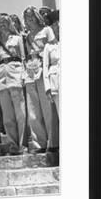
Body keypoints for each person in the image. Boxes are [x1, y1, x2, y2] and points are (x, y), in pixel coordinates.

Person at [23, 6, 57, 153]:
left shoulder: (47, 30)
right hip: (30, 70)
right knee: (33, 110)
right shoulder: (26, 36)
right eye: (27, 17)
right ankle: (39, 144)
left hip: (43, 69)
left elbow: (54, 48)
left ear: (37, 16)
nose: (30, 19)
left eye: (32, 16)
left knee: (48, 108)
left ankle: (54, 142)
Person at [0, 14, 27, 155]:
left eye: (5, 22)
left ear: (9, 24)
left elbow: (24, 57)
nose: (2, 25)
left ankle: (22, 144)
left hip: (15, 73)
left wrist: (24, 75)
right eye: (0, 23)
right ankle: (13, 144)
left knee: (20, 113)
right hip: (1, 77)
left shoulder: (17, 39)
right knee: (7, 116)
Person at [43, 10, 60, 151]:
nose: (58, 26)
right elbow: (45, 67)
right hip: (56, 85)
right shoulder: (49, 46)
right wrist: (47, 88)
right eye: (55, 24)